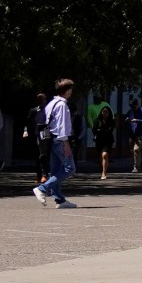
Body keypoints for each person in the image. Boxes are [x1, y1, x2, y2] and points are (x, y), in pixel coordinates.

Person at [32, 79, 79, 208]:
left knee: (56, 170)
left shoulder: (52, 103)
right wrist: (66, 144)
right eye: (71, 89)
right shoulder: (62, 105)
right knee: (70, 168)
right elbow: (62, 126)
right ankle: (42, 188)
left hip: (50, 139)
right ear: (68, 90)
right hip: (60, 139)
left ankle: (60, 200)